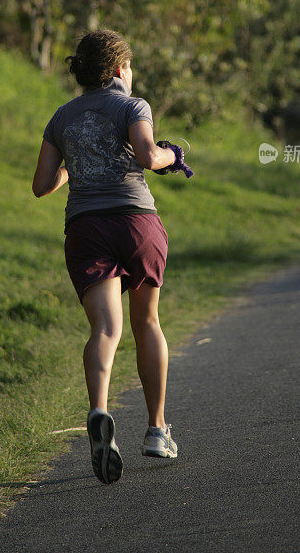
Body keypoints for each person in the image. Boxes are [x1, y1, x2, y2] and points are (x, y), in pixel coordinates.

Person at [32, 29, 192, 485]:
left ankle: (99, 411)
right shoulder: (132, 105)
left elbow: (42, 184)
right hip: (135, 222)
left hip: (86, 227)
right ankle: (157, 430)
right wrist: (173, 154)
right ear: (120, 69)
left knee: (105, 328)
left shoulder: (61, 117)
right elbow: (146, 156)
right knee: (147, 323)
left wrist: (74, 167)